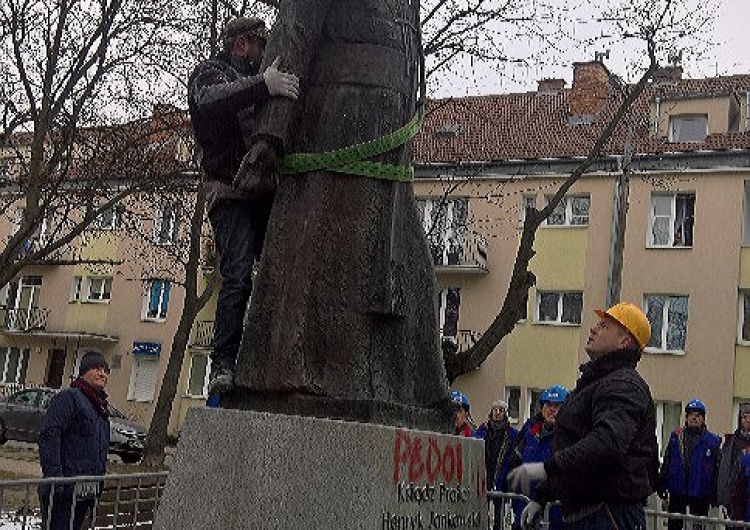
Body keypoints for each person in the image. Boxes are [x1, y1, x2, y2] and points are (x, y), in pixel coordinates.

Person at [187, 16, 300, 395]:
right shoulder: (209, 74)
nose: (262, 53)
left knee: (280, 268)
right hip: (231, 194)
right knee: (236, 273)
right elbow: (215, 100)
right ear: (240, 45)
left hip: (266, 194)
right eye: (258, 44)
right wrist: (262, 84)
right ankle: (223, 362)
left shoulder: (257, 83)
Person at [508, 302, 659, 530]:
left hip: (608, 514)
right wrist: (543, 495)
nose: (593, 329)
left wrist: (547, 468)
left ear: (624, 341)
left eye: (604, 326)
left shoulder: (623, 385)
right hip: (591, 513)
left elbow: (606, 444)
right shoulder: (598, 383)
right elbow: (578, 450)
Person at [38, 352, 111, 530]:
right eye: (97, 369)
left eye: (106, 370)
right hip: (64, 492)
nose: (103, 374)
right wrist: (56, 480)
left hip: (85, 491)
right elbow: (50, 436)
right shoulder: (69, 398)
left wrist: (98, 484)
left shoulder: (99, 408)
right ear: (83, 372)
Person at [508, 386, 569, 530]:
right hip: (524, 508)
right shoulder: (529, 433)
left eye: (557, 405)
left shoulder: (568, 437)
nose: (551, 409)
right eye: (548, 405)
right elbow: (514, 463)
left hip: (555, 514)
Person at [657, 399, 721, 530]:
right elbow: (668, 461)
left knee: (698, 526)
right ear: (686, 418)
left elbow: (717, 469)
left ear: (703, 419)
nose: (694, 418)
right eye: (691, 415)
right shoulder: (676, 437)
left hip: (700, 492)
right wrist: (661, 483)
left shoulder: (712, 441)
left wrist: (715, 493)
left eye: (698, 415)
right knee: (674, 525)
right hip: (677, 490)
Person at [475, 399, 519, 530]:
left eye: (501, 410)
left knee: (499, 513)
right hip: (485, 474)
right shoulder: (484, 429)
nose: (497, 413)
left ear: (505, 413)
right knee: (482, 509)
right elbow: (475, 441)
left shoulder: (511, 433)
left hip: (502, 476)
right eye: (495, 410)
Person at [720, 404, 750, 522]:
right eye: (744, 417)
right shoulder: (731, 442)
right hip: (734, 497)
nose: (748, 420)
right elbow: (724, 470)